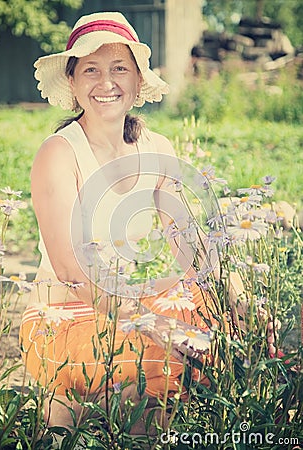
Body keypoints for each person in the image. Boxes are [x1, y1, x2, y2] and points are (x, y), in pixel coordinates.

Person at [18, 11, 258, 436]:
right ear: (72, 82)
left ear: (136, 82)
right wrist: (148, 322)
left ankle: (110, 416)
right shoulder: (59, 153)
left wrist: (230, 295)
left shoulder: (155, 147)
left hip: (130, 303)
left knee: (219, 323)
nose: (106, 83)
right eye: (90, 69)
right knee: (154, 352)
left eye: (119, 69)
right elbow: (73, 271)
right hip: (65, 314)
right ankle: (76, 409)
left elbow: (186, 239)